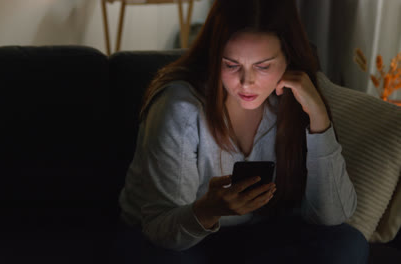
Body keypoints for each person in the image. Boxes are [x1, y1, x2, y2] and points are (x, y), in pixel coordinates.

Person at [113, 0, 369, 263]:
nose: (247, 82)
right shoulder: (180, 107)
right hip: (170, 238)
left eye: (263, 66)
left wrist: (319, 117)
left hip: (254, 235)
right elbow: (161, 230)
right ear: (214, 57)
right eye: (232, 65)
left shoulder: (294, 101)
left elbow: (332, 216)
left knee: (346, 244)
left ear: (288, 59)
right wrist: (208, 210)